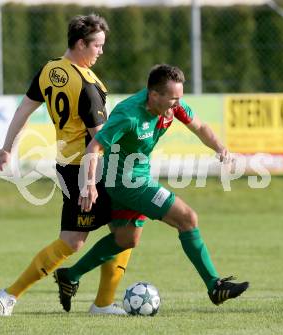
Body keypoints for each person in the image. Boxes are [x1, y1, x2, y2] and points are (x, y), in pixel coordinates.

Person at [53, 64, 249, 311]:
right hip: (128, 183)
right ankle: (214, 285)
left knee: (127, 239)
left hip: (137, 178)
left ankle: (70, 275)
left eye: (180, 97)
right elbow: (94, 147)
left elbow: (199, 127)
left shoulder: (171, 107)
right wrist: (89, 185)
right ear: (154, 95)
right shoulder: (129, 114)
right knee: (187, 218)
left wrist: (221, 148)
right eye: (173, 98)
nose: (177, 104)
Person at [0, 14, 131, 316]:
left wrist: (7, 148)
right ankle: (11, 294)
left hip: (65, 164)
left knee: (123, 228)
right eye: (97, 45)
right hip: (88, 167)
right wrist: (93, 181)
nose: (101, 52)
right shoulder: (88, 86)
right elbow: (97, 141)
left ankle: (102, 302)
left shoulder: (50, 69)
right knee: (85, 239)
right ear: (80, 44)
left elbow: (25, 107)